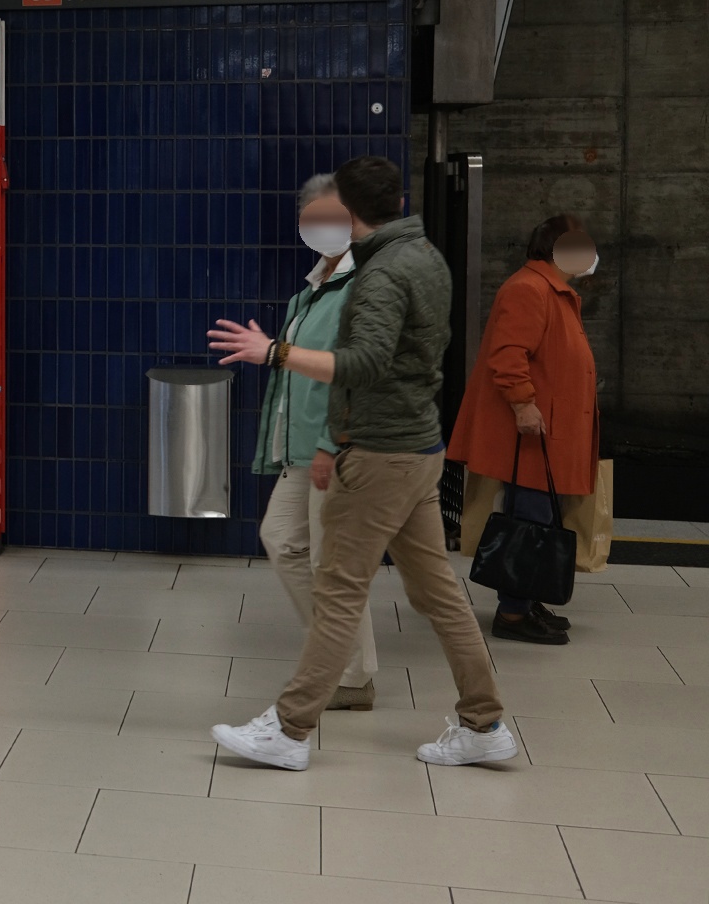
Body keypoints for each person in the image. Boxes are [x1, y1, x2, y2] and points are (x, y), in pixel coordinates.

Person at [206, 155, 514, 771]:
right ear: (398, 202)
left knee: (339, 590)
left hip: (378, 454)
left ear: (347, 212)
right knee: (438, 594)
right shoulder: (425, 258)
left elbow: (364, 363)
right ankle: (484, 723)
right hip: (419, 449)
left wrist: (275, 353)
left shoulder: (378, 276)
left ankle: (289, 729)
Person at [252, 173, 376, 710]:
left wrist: (334, 439)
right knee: (283, 540)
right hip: (301, 446)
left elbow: (357, 372)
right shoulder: (309, 291)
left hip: (337, 445)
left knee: (333, 565)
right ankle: (336, 656)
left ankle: (350, 674)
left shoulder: (363, 286)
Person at [448, 214, 600, 646]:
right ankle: (513, 613)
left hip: (548, 432)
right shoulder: (529, 289)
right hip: (533, 432)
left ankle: (526, 600)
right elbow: (509, 354)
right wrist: (523, 403)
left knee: (541, 517)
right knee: (530, 519)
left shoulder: (552, 291)